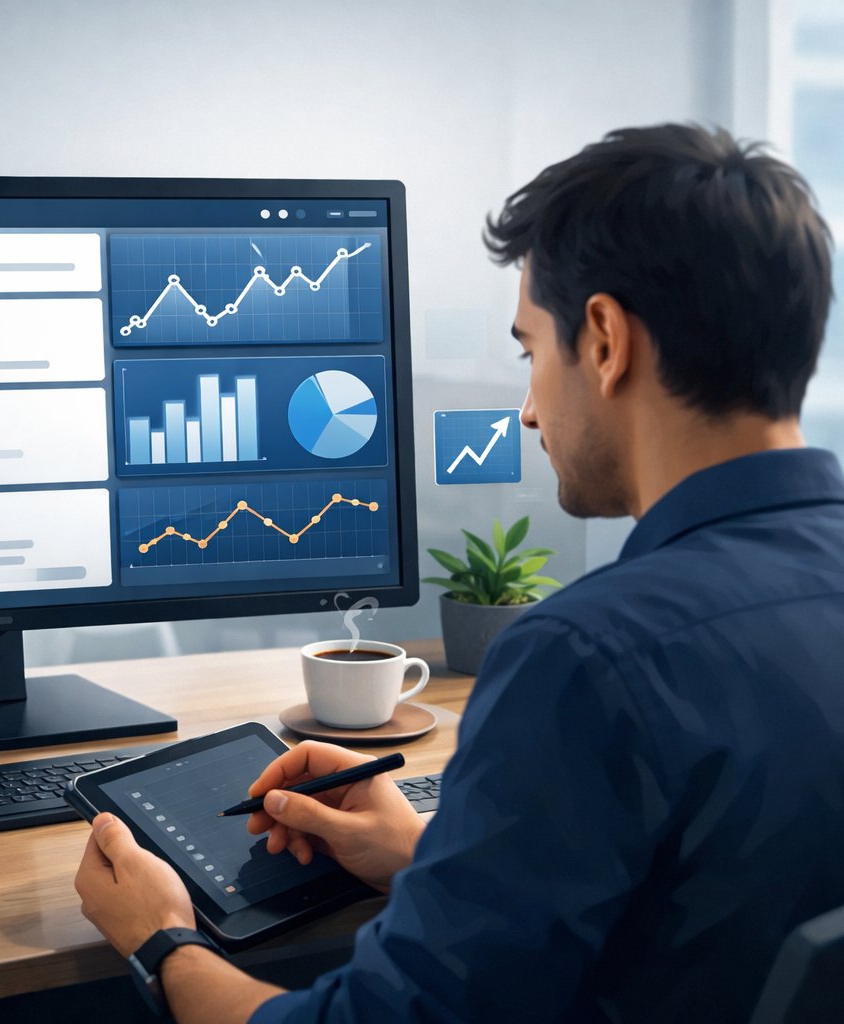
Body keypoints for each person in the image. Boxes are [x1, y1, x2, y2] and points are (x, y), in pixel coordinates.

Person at [74, 122, 844, 1022]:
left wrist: (162, 941)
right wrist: (433, 856)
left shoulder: (588, 659)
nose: (525, 411)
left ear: (603, 340)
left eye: (530, 351)